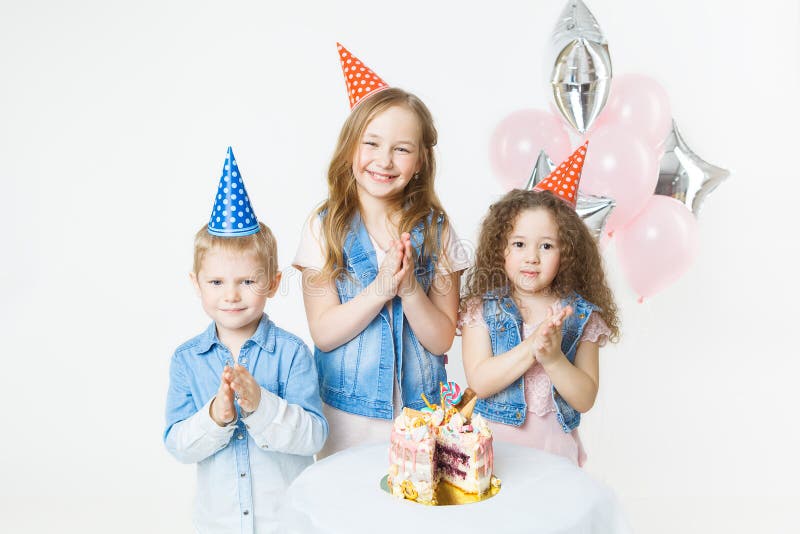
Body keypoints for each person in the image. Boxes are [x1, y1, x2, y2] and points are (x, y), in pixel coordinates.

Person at [292, 44, 469, 458]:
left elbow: (442, 339)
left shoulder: (438, 232)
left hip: (420, 415)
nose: (384, 161)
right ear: (350, 147)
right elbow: (324, 332)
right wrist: (382, 287)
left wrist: (409, 289)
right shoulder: (324, 228)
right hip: (345, 418)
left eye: (402, 149)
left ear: (421, 160)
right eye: (371, 143)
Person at [164, 147, 327, 533]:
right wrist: (215, 418)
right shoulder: (187, 359)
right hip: (217, 524)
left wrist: (260, 406)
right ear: (196, 284)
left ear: (272, 283)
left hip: (286, 523)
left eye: (247, 281)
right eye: (217, 282)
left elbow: (315, 436)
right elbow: (177, 444)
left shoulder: (291, 354)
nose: (231, 295)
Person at [460, 143, 619, 466]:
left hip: (554, 458)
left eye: (546, 246)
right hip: (493, 458)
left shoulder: (581, 316)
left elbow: (585, 398)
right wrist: (532, 346)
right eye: (519, 244)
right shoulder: (482, 309)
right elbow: (480, 382)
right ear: (499, 249)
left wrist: (554, 358)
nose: (531, 257)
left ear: (567, 253)